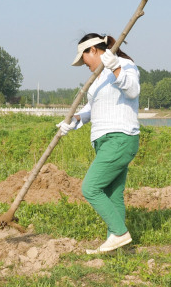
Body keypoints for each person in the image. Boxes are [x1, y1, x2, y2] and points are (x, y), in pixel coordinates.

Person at [56, 33, 140, 254]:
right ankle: (120, 246)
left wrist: (115, 68)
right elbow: (94, 109)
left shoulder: (124, 64)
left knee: (90, 187)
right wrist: (73, 121)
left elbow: (132, 91)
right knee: (113, 193)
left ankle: (120, 234)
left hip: (120, 137)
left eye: (83, 57)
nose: (83, 63)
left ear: (93, 50)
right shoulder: (98, 77)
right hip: (104, 141)